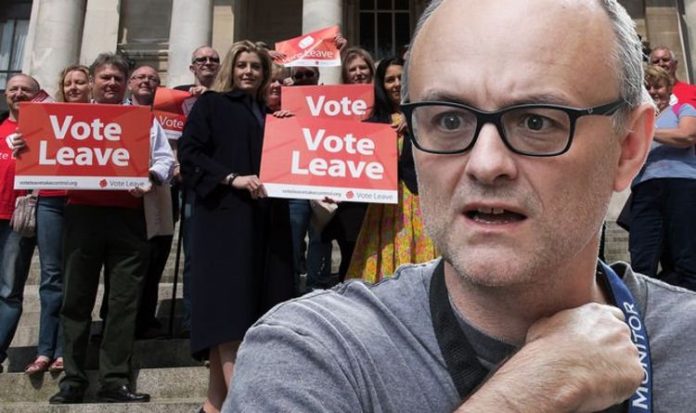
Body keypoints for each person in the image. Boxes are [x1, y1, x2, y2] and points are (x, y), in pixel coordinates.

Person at [225, 1, 696, 412]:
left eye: (537, 121)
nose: (485, 164)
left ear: (629, 147)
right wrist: (526, 395)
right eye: (449, 119)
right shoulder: (310, 353)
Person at [44, 53, 174, 404]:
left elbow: (165, 158)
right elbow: (42, 150)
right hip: (82, 215)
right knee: (76, 299)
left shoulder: (143, 120)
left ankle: (114, 380)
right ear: (92, 82)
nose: (112, 83)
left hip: (129, 219)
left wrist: (151, 176)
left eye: (118, 78)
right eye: (105, 77)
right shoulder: (69, 119)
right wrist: (22, 145)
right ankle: (73, 380)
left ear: (127, 83)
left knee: (123, 303)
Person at [178, 40, 294, 413]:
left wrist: (290, 132)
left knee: (252, 313)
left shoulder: (268, 114)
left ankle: (216, 406)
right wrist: (231, 178)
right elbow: (190, 153)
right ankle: (249, 405)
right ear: (232, 68)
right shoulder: (212, 104)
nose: (248, 72)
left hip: (265, 223)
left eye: (256, 67)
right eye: (242, 65)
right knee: (231, 315)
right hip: (224, 223)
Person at [22, 65, 91, 376]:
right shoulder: (46, 117)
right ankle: (44, 350)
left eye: (80, 82)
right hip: (50, 201)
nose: (74, 87)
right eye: (68, 83)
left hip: (82, 202)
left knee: (75, 277)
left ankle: (65, 350)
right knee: (51, 277)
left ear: (90, 85)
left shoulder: (101, 118)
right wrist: (21, 144)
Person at [346, 56, 437, 283]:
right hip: (383, 206)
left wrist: (413, 118)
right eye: (389, 80)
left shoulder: (427, 116)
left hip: (418, 201)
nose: (396, 84)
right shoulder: (373, 122)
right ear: (382, 85)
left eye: (400, 78)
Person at [628, 65, 696, 291]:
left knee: (686, 256)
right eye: (648, 87)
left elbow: (687, 135)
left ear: (668, 89)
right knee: (641, 258)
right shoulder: (637, 121)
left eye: (657, 86)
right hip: (645, 188)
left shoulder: (682, 109)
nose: (653, 91)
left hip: (682, 184)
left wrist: (648, 132)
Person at [175, 45, 221, 338]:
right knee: (193, 256)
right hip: (192, 187)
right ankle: (192, 319)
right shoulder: (177, 98)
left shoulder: (228, 98)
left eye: (213, 59)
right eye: (201, 59)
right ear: (192, 67)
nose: (207, 63)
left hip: (223, 185)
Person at [0, 74, 39, 374]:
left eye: (26, 90)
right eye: (14, 89)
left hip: (17, 220)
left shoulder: (43, 131)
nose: (19, 93)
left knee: (9, 290)